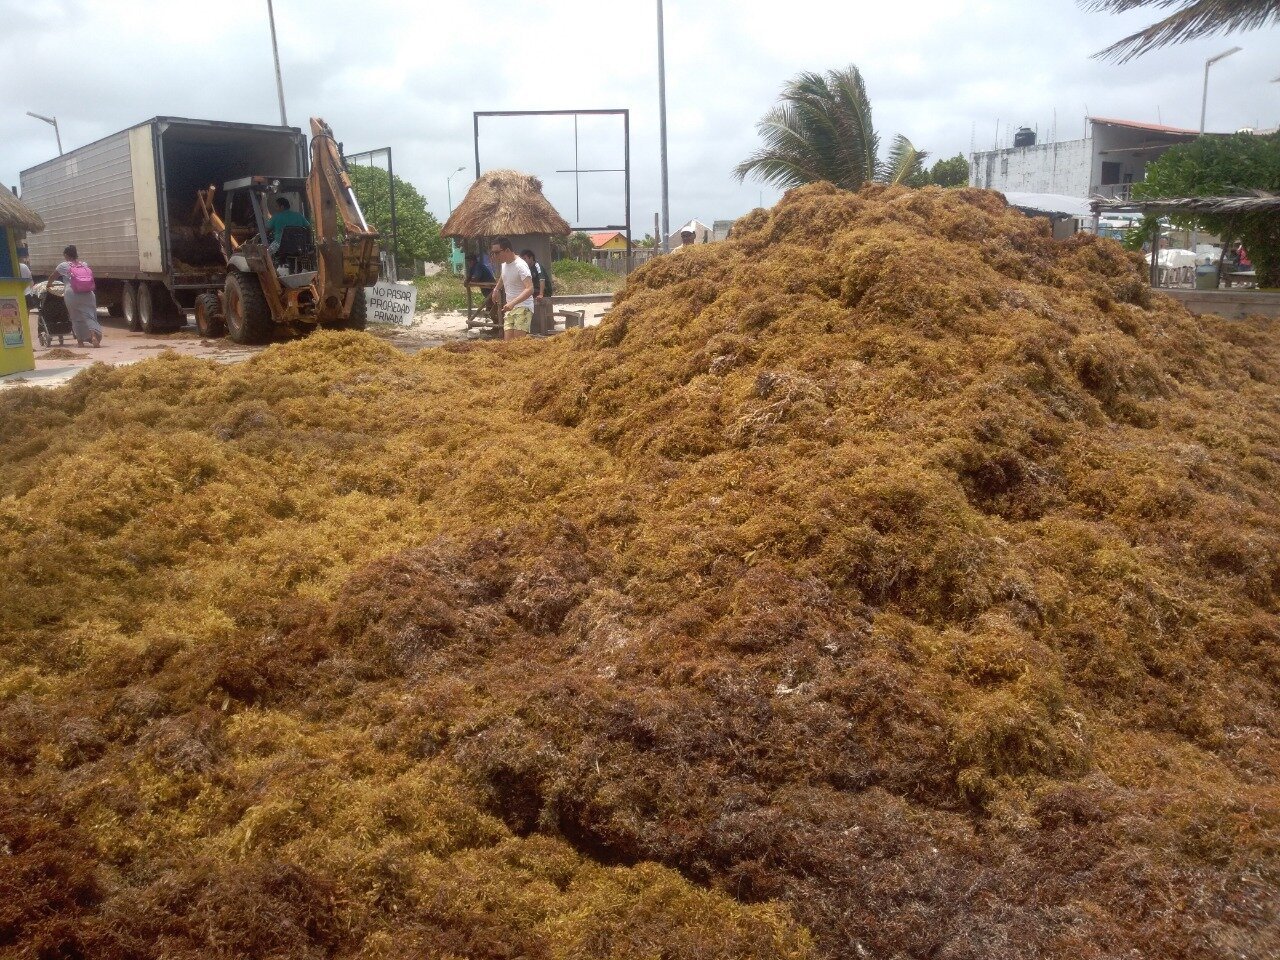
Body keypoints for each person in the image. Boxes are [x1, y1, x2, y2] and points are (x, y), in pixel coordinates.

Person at [50, 245, 102, 348]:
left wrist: (49, 284)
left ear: (65, 255)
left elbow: (53, 276)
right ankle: (93, 337)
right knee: (90, 316)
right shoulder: (84, 264)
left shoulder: (63, 265)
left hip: (72, 293)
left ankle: (80, 342)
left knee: (75, 317)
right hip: (88, 293)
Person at [489, 237, 534, 341]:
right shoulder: (504, 264)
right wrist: (496, 289)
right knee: (508, 343)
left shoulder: (520, 265)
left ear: (507, 250)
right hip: (510, 308)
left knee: (517, 343)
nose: (495, 256)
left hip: (523, 307)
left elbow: (530, 288)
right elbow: (503, 276)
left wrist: (513, 303)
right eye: (493, 253)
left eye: (497, 253)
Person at [521, 249, 553, 336]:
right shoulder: (526, 268)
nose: (524, 261)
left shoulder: (538, 266)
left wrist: (541, 294)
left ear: (531, 258)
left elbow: (542, 280)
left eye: (525, 258)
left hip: (544, 290)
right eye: (522, 259)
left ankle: (541, 328)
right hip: (535, 290)